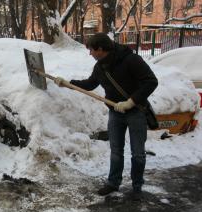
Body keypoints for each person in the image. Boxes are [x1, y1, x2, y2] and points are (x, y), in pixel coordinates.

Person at [54, 33, 158, 201]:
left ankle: (137, 186)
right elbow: (90, 84)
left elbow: (151, 81)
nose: (90, 54)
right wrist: (68, 83)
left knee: (138, 153)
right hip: (115, 113)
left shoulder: (131, 60)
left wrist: (130, 102)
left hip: (136, 112)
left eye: (91, 50)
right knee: (116, 151)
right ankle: (113, 182)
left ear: (100, 49)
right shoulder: (100, 66)